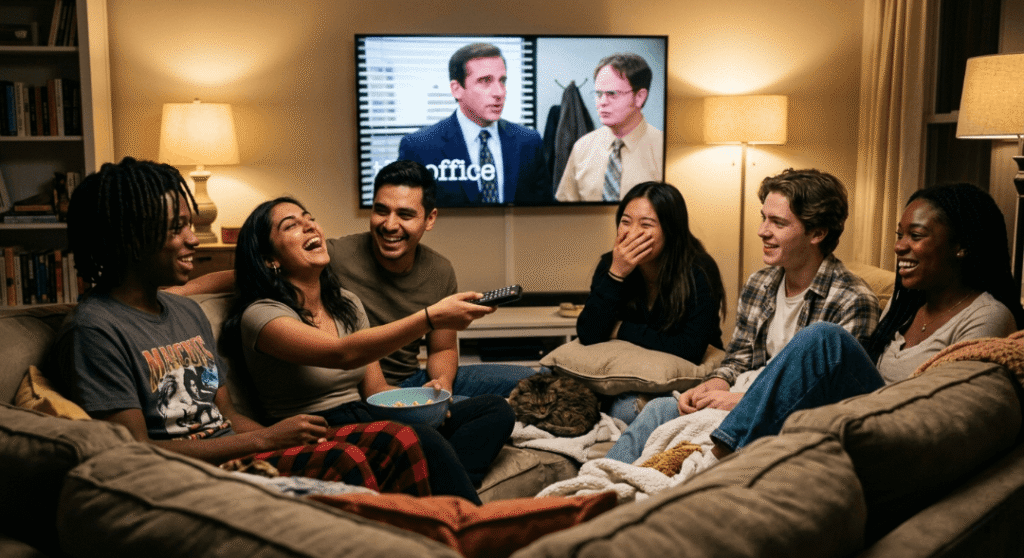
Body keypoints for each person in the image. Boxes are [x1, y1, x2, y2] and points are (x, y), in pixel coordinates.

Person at [56, 157, 435, 498]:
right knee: (346, 460)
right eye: (176, 229)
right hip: (186, 477)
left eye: (189, 224)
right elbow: (134, 449)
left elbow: (228, 415)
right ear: (131, 240)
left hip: (239, 454)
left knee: (397, 438)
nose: (192, 239)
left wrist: (277, 441)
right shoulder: (95, 330)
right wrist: (266, 439)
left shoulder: (186, 313)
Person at [222, 196, 517, 504]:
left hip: (365, 414)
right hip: (317, 428)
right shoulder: (261, 315)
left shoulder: (346, 303)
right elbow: (341, 354)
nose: (309, 225)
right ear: (271, 258)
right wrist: (430, 318)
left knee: (493, 409)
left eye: (309, 218)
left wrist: (421, 405)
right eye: (291, 225)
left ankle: (440, 489)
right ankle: (468, 517)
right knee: (421, 439)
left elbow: (375, 388)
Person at [703, 183, 1024, 458]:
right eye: (900, 235)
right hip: (859, 416)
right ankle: (713, 453)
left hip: (904, 434)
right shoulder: (904, 309)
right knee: (662, 409)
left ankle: (717, 458)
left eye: (916, 235)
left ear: (961, 246)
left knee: (823, 338)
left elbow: (948, 413)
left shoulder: (988, 316)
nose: (899, 246)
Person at [170, 160, 539, 399]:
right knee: (481, 411)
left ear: (429, 219)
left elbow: (442, 348)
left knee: (532, 379)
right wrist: (177, 292)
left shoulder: (439, 270)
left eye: (405, 215)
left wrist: (440, 384)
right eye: (381, 211)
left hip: (408, 378)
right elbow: (248, 272)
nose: (390, 225)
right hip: (354, 385)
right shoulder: (332, 256)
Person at [604, 168, 880, 463]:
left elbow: (831, 399)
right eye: (764, 218)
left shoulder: (853, 300)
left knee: (688, 444)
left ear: (817, 233)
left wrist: (740, 402)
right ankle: (592, 489)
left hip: (786, 418)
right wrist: (715, 385)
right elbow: (737, 361)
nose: (762, 230)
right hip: (742, 395)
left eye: (778, 222)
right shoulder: (760, 284)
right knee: (658, 408)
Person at [575, 181, 726, 423]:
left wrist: (620, 329)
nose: (632, 233)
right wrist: (617, 274)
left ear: (670, 229)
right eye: (625, 222)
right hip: (621, 376)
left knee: (625, 410)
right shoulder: (611, 264)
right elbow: (589, 333)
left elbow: (689, 348)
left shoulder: (698, 270)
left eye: (646, 225)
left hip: (681, 380)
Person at [397, 42, 551, 206]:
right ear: (457, 89)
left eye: (502, 81)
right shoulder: (419, 147)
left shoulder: (529, 141)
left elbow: (544, 212)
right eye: (485, 81)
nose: (499, 92)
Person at [555, 53, 664, 202]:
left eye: (612, 94)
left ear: (639, 97)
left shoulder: (664, 149)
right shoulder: (582, 148)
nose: (602, 102)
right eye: (599, 94)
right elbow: (564, 213)